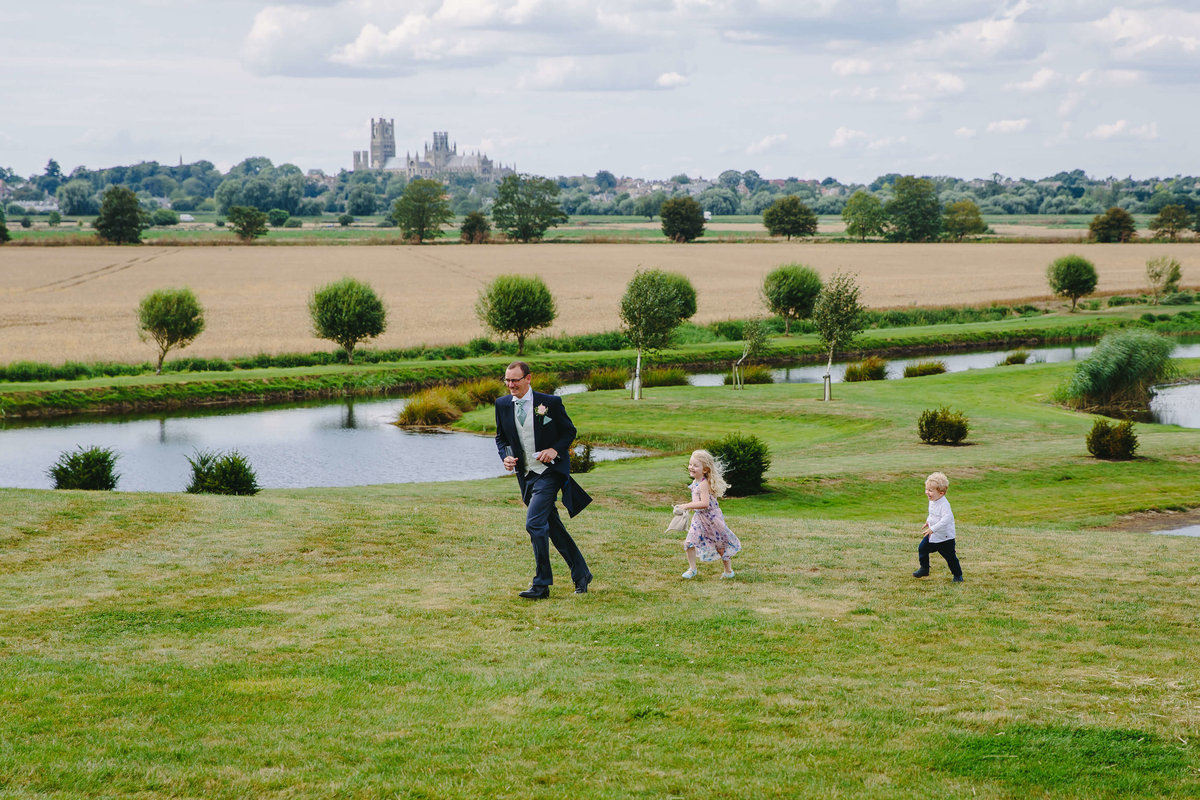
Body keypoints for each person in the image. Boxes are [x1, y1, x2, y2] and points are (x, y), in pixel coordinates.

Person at [494, 361, 592, 599]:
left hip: (548, 473)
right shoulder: (502, 404)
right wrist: (506, 457)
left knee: (534, 524)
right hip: (526, 475)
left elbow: (569, 431)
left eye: (515, 380)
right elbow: (501, 438)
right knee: (554, 529)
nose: (510, 385)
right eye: (507, 380)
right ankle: (582, 574)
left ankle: (541, 584)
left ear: (528, 379)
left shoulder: (550, 403)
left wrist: (555, 450)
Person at [675, 449, 741, 579]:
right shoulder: (695, 482)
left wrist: (686, 506)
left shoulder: (704, 484)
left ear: (704, 469)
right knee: (689, 543)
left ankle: (728, 571)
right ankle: (692, 569)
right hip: (699, 518)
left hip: (712, 519)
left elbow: (704, 503)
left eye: (695, 465)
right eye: (690, 464)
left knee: (720, 546)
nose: (691, 467)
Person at [913, 471, 963, 582]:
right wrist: (928, 522)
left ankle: (958, 576)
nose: (927, 493)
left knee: (950, 558)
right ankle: (924, 569)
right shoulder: (932, 500)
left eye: (930, 491)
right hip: (933, 535)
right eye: (926, 489)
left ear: (941, 493)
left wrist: (932, 529)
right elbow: (933, 514)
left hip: (945, 538)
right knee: (922, 548)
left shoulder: (944, 505)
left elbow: (946, 519)